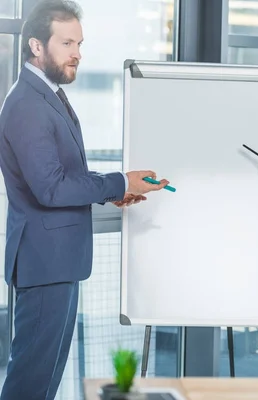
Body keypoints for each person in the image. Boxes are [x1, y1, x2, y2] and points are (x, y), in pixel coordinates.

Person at [0, 1, 169, 398]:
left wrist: (118, 190)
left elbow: (62, 176)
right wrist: (117, 180)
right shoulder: (27, 104)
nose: (77, 52)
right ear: (36, 46)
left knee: (43, 381)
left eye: (79, 43)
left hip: (57, 261)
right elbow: (52, 188)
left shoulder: (48, 95)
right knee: (30, 382)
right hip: (45, 263)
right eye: (67, 43)